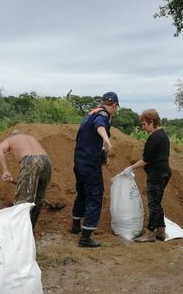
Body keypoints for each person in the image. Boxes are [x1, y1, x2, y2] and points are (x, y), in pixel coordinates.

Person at [71, 91, 119, 247]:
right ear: (114, 105)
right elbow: (99, 125)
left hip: (79, 162)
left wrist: (105, 157)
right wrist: (106, 138)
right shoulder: (103, 115)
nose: (115, 111)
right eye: (116, 108)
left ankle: (75, 226)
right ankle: (85, 238)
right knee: (95, 196)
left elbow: (92, 140)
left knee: (82, 194)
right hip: (90, 165)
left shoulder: (89, 114)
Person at [123, 109, 171, 243]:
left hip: (157, 174)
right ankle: (161, 230)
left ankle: (150, 232)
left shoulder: (155, 137)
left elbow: (146, 160)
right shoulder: (163, 135)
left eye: (144, 124)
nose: (143, 127)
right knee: (157, 202)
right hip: (163, 172)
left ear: (151, 122)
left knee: (153, 204)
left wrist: (131, 167)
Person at [0, 130, 52, 229]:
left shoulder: (11, 139)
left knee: (22, 202)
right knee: (38, 200)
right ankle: (30, 230)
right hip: (46, 161)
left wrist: (5, 171)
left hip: (31, 161)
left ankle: (19, 233)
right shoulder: (31, 138)